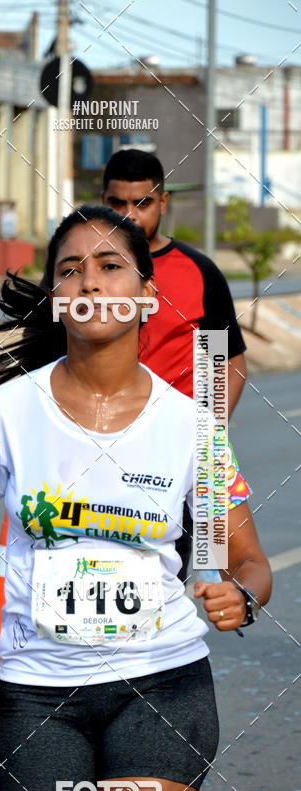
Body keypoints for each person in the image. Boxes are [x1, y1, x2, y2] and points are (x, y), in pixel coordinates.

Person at [0, 206, 271, 791]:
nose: (89, 280)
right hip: (40, 699)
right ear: (59, 298)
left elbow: (250, 560)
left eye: (109, 265)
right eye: (70, 270)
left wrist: (240, 595)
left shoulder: (191, 427)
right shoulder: (7, 413)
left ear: (146, 294)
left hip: (162, 689)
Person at [102, 148, 248, 579]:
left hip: (168, 456)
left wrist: (206, 434)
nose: (129, 216)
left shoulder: (199, 273)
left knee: (163, 575)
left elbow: (228, 363)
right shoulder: (82, 274)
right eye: (117, 204)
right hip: (94, 449)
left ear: (163, 203)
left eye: (142, 203)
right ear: (102, 200)